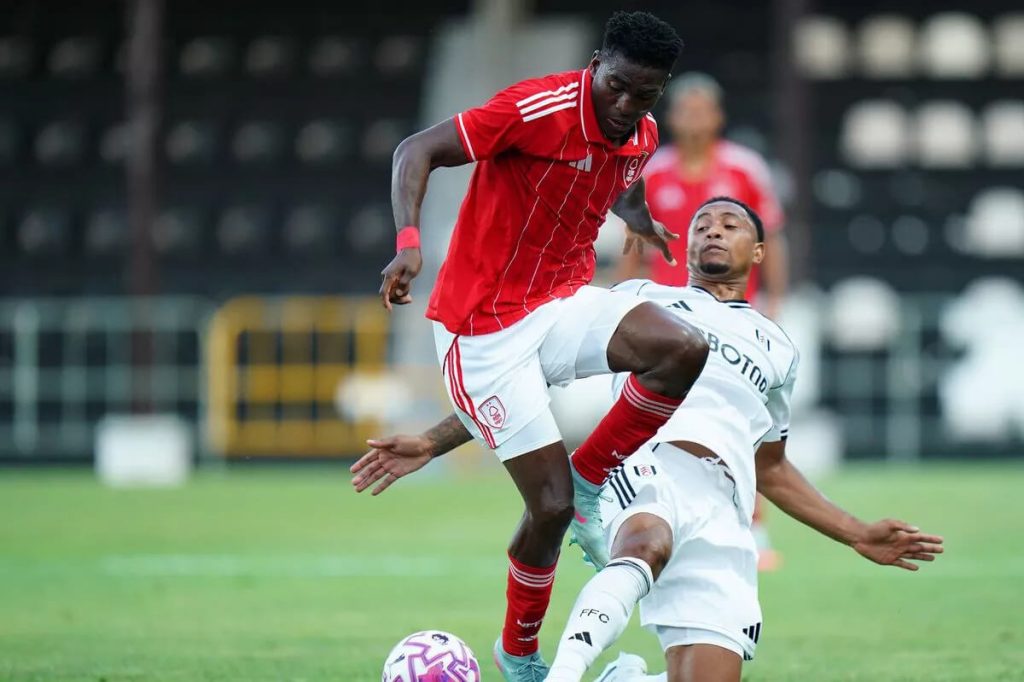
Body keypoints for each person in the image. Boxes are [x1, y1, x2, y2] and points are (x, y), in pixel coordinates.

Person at [354, 197, 945, 682]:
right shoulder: (641, 302)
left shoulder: (779, 347)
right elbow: (528, 376)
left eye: (730, 224)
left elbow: (772, 467)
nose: (712, 230)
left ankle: (624, 680)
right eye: (701, 225)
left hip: (724, 509)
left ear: (758, 251)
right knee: (647, 538)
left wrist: (857, 532)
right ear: (684, 247)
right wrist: (434, 441)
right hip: (641, 466)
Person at [375, 12, 700, 682]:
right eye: (616, 86)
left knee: (682, 348)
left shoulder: (640, 134)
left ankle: (591, 477)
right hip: (481, 328)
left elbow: (616, 181)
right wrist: (409, 247)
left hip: (558, 304)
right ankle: (518, 656)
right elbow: (416, 149)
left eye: (645, 94)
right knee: (546, 509)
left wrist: (640, 219)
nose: (626, 105)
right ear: (595, 64)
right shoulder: (536, 107)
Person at [619, 72, 790, 570]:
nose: (693, 118)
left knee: (741, 426)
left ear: (718, 117)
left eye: (702, 110)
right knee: (659, 424)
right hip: (666, 323)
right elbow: (635, 242)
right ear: (671, 117)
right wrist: (617, 299)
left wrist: (775, 300)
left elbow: (772, 235)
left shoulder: (745, 169)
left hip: (734, 321)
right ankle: (660, 519)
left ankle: (753, 526)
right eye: (685, 109)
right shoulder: (653, 170)